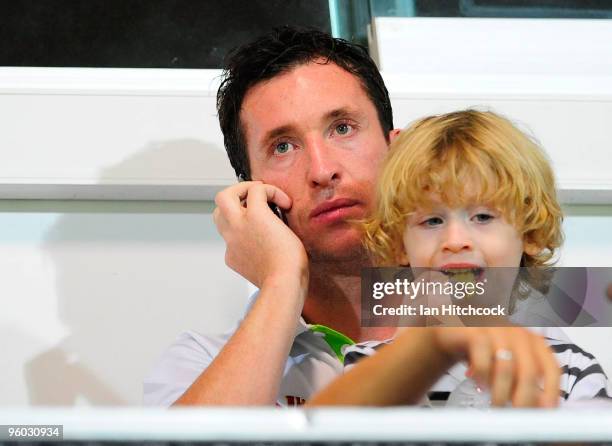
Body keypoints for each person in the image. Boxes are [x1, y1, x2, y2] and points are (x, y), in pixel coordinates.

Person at [144, 27, 566, 408]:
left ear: (397, 151)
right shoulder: (200, 363)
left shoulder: (515, 338)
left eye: (342, 128)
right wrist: (282, 280)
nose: (322, 170)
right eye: (283, 146)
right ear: (250, 196)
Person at [309, 110, 610, 406]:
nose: (454, 241)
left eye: (482, 216)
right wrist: (415, 350)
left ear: (529, 234)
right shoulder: (370, 364)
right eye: (432, 221)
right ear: (401, 245)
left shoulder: (572, 369)